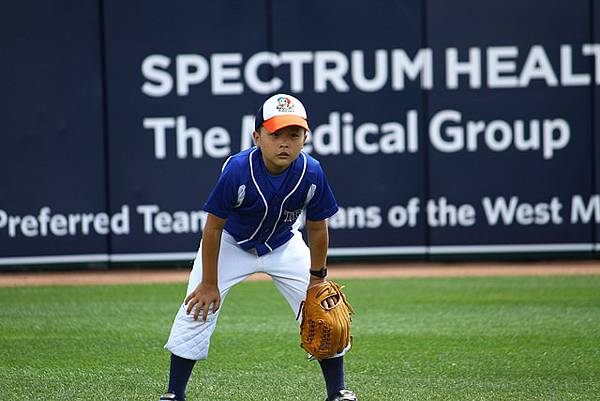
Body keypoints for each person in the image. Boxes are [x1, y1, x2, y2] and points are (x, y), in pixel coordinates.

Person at [159, 94, 357, 401]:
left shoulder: (312, 171)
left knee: (325, 314)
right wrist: (209, 283)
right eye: (275, 133)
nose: (284, 143)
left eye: (294, 134)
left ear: (305, 137)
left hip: (283, 243)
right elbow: (213, 228)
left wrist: (317, 278)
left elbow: (317, 228)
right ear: (257, 137)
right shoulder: (238, 170)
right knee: (198, 308)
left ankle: (338, 392)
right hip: (230, 244)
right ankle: (174, 394)